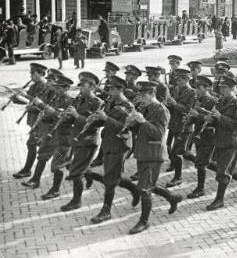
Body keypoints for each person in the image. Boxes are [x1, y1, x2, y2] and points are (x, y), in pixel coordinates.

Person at [127, 81, 182, 234]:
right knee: (148, 184)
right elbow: (140, 128)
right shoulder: (146, 108)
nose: (141, 98)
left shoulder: (161, 110)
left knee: (145, 189)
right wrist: (132, 122)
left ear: (152, 94)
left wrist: (142, 121)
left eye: (143, 95)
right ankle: (172, 198)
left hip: (154, 153)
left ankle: (144, 222)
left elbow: (158, 133)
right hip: (143, 152)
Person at [87, 76, 140, 224]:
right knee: (113, 175)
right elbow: (104, 122)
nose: (109, 91)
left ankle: (106, 211)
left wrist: (106, 119)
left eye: (112, 89)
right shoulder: (110, 102)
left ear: (121, 89)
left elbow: (128, 127)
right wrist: (95, 119)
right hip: (108, 142)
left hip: (120, 145)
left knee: (110, 179)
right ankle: (135, 190)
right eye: (108, 89)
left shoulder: (128, 106)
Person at [60, 72, 103, 211]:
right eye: (80, 86)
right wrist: (65, 116)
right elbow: (72, 120)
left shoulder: (98, 103)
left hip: (88, 141)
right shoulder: (79, 100)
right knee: (80, 169)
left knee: (76, 172)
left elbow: (94, 124)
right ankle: (103, 180)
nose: (80, 89)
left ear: (92, 87)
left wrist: (76, 115)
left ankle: (76, 201)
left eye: (83, 86)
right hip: (77, 140)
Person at [205, 76, 237, 211]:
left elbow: (236, 125)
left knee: (223, 171)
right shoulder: (221, 102)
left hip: (231, 141)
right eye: (221, 88)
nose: (222, 90)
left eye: (225, 88)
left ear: (233, 89)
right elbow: (217, 121)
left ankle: (219, 200)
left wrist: (219, 117)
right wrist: (211, 119)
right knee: (224, 167)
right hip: (220, 139)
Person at [12, 63, 51, 179]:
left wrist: (30, 104)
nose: (31, 76)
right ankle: (67, 161)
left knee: (34, 144)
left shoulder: (46, 87)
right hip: (34, 122)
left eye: (33, 73)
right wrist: (16, 98)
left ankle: (27, 170)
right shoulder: (34, 86)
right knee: (38, 144)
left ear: (41, 73)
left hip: (42, 122)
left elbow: (44, 106)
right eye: (31, 73)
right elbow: (28, 101)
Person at [165, 69, 197, 187]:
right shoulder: (176, 90)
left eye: (180, 80)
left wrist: (174, 104)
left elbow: (189, 110)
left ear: (187, 79)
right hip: (175, 125)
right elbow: (173, 108)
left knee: (176, 153)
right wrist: (168, 105)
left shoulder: (193, 92)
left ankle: (178, 177)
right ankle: (199, 162)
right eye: (176, 80)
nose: (177, 82)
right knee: (180, 152)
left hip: (185, 127)